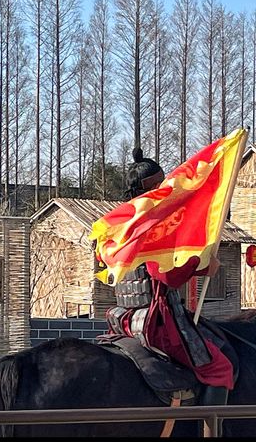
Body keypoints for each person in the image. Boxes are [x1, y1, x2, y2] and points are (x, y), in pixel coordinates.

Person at [102, 147, 234, 407]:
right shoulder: (151, 225)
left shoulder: (120, 223)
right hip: (158, 322)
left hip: (123, 319)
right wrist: (201, 264)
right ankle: (210, 429)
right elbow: (165, 275)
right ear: (149, 187)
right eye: (161, 184)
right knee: (220, 369)